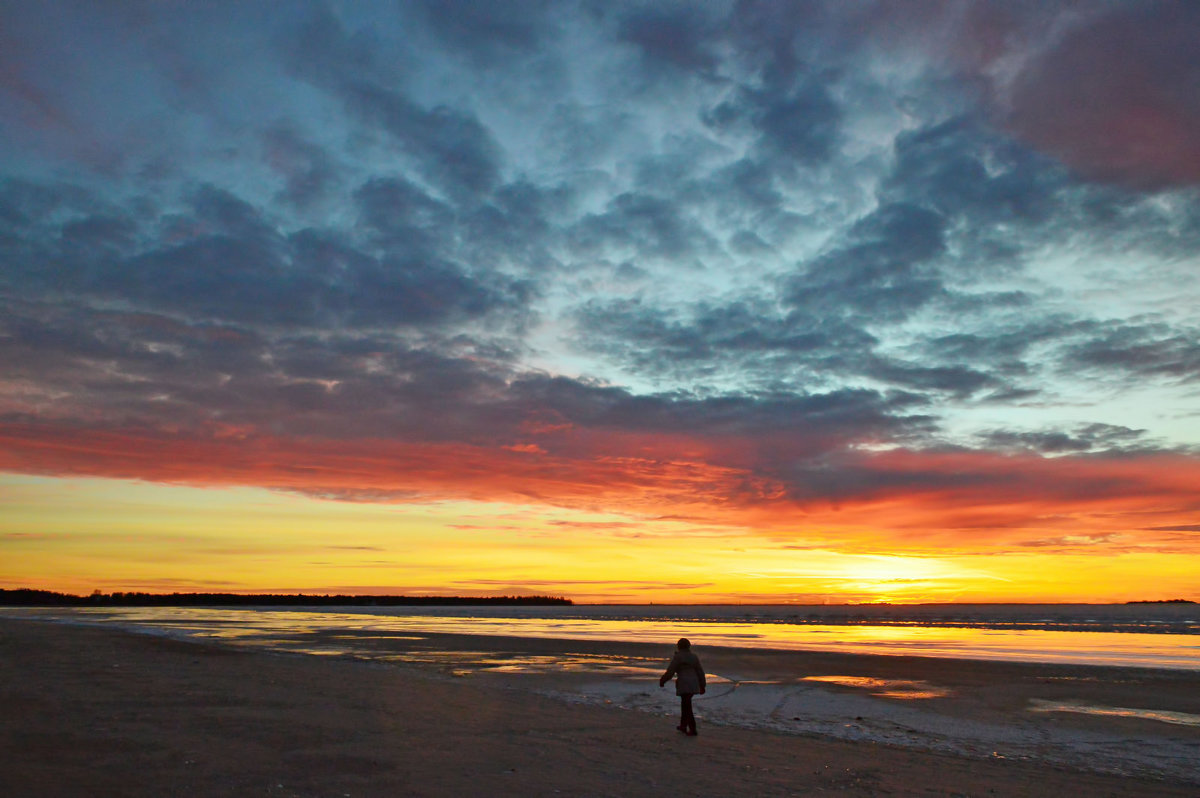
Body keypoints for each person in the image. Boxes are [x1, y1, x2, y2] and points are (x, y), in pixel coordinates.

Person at [659, 637, 705, 736]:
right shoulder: (694, 657)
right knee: (685, 704)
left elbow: (670, 671)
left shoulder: (678, 657)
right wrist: (702, 685)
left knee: (686, 706)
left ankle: (692, 729)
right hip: (693, 683)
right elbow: (700, 672)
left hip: (684, 683)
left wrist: (663, 680)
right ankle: (683, 725)